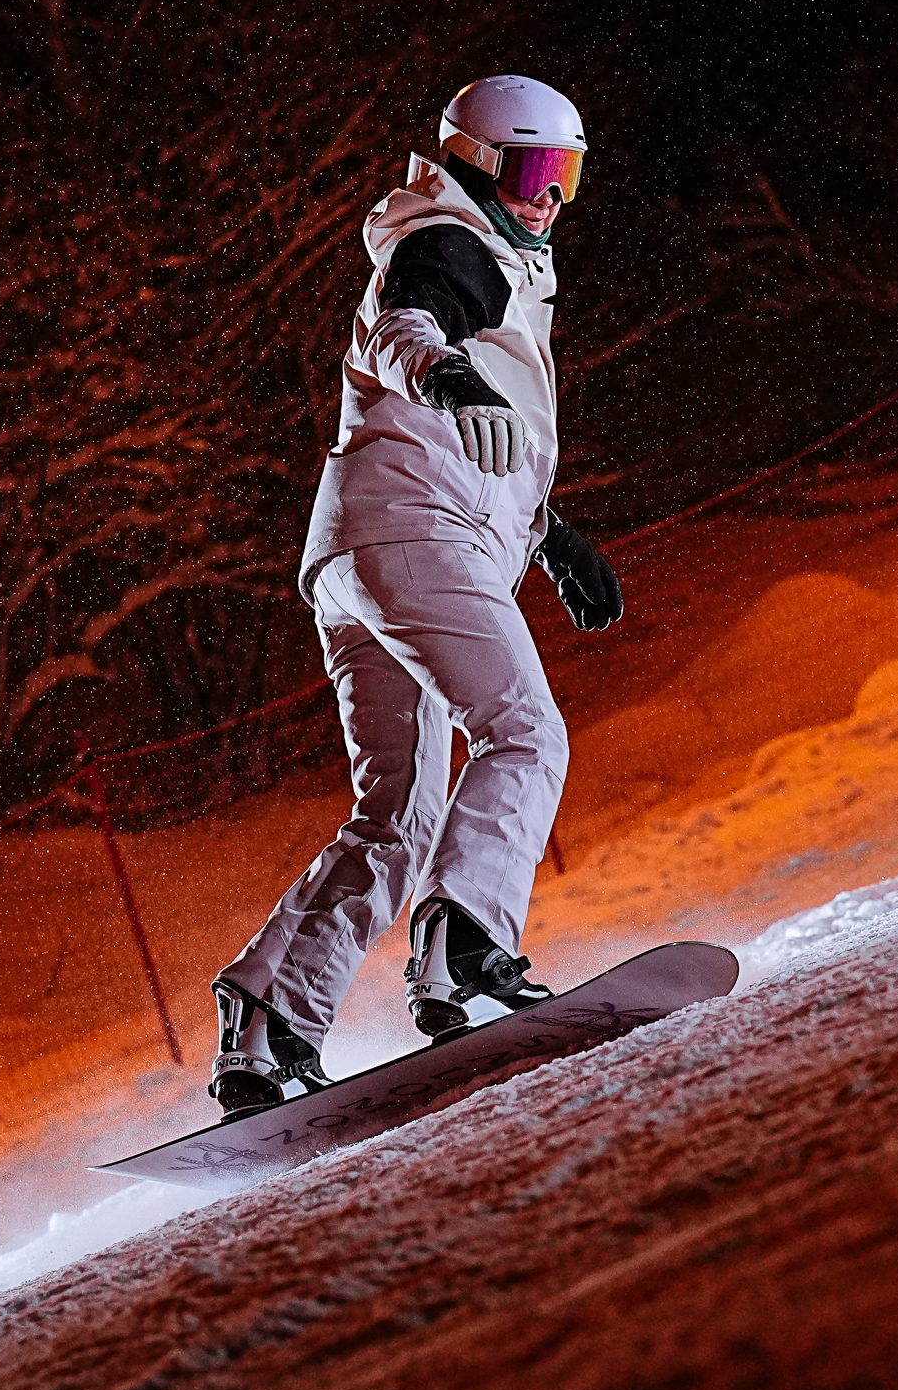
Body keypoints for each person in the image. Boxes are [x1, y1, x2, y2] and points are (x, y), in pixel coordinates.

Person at [205, 75, 624, 1120]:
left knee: (396, 812)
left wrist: (549, 533)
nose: (548, 199)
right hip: (414, 533)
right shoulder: (449, 242)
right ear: (477, 162)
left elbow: (481, 430)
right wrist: (444, 375)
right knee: (523, 732)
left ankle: (268, 1020)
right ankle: (466, 950)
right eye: (531, 173)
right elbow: (411, 326)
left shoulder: (498, 263)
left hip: (363, 548)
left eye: (565, 176)